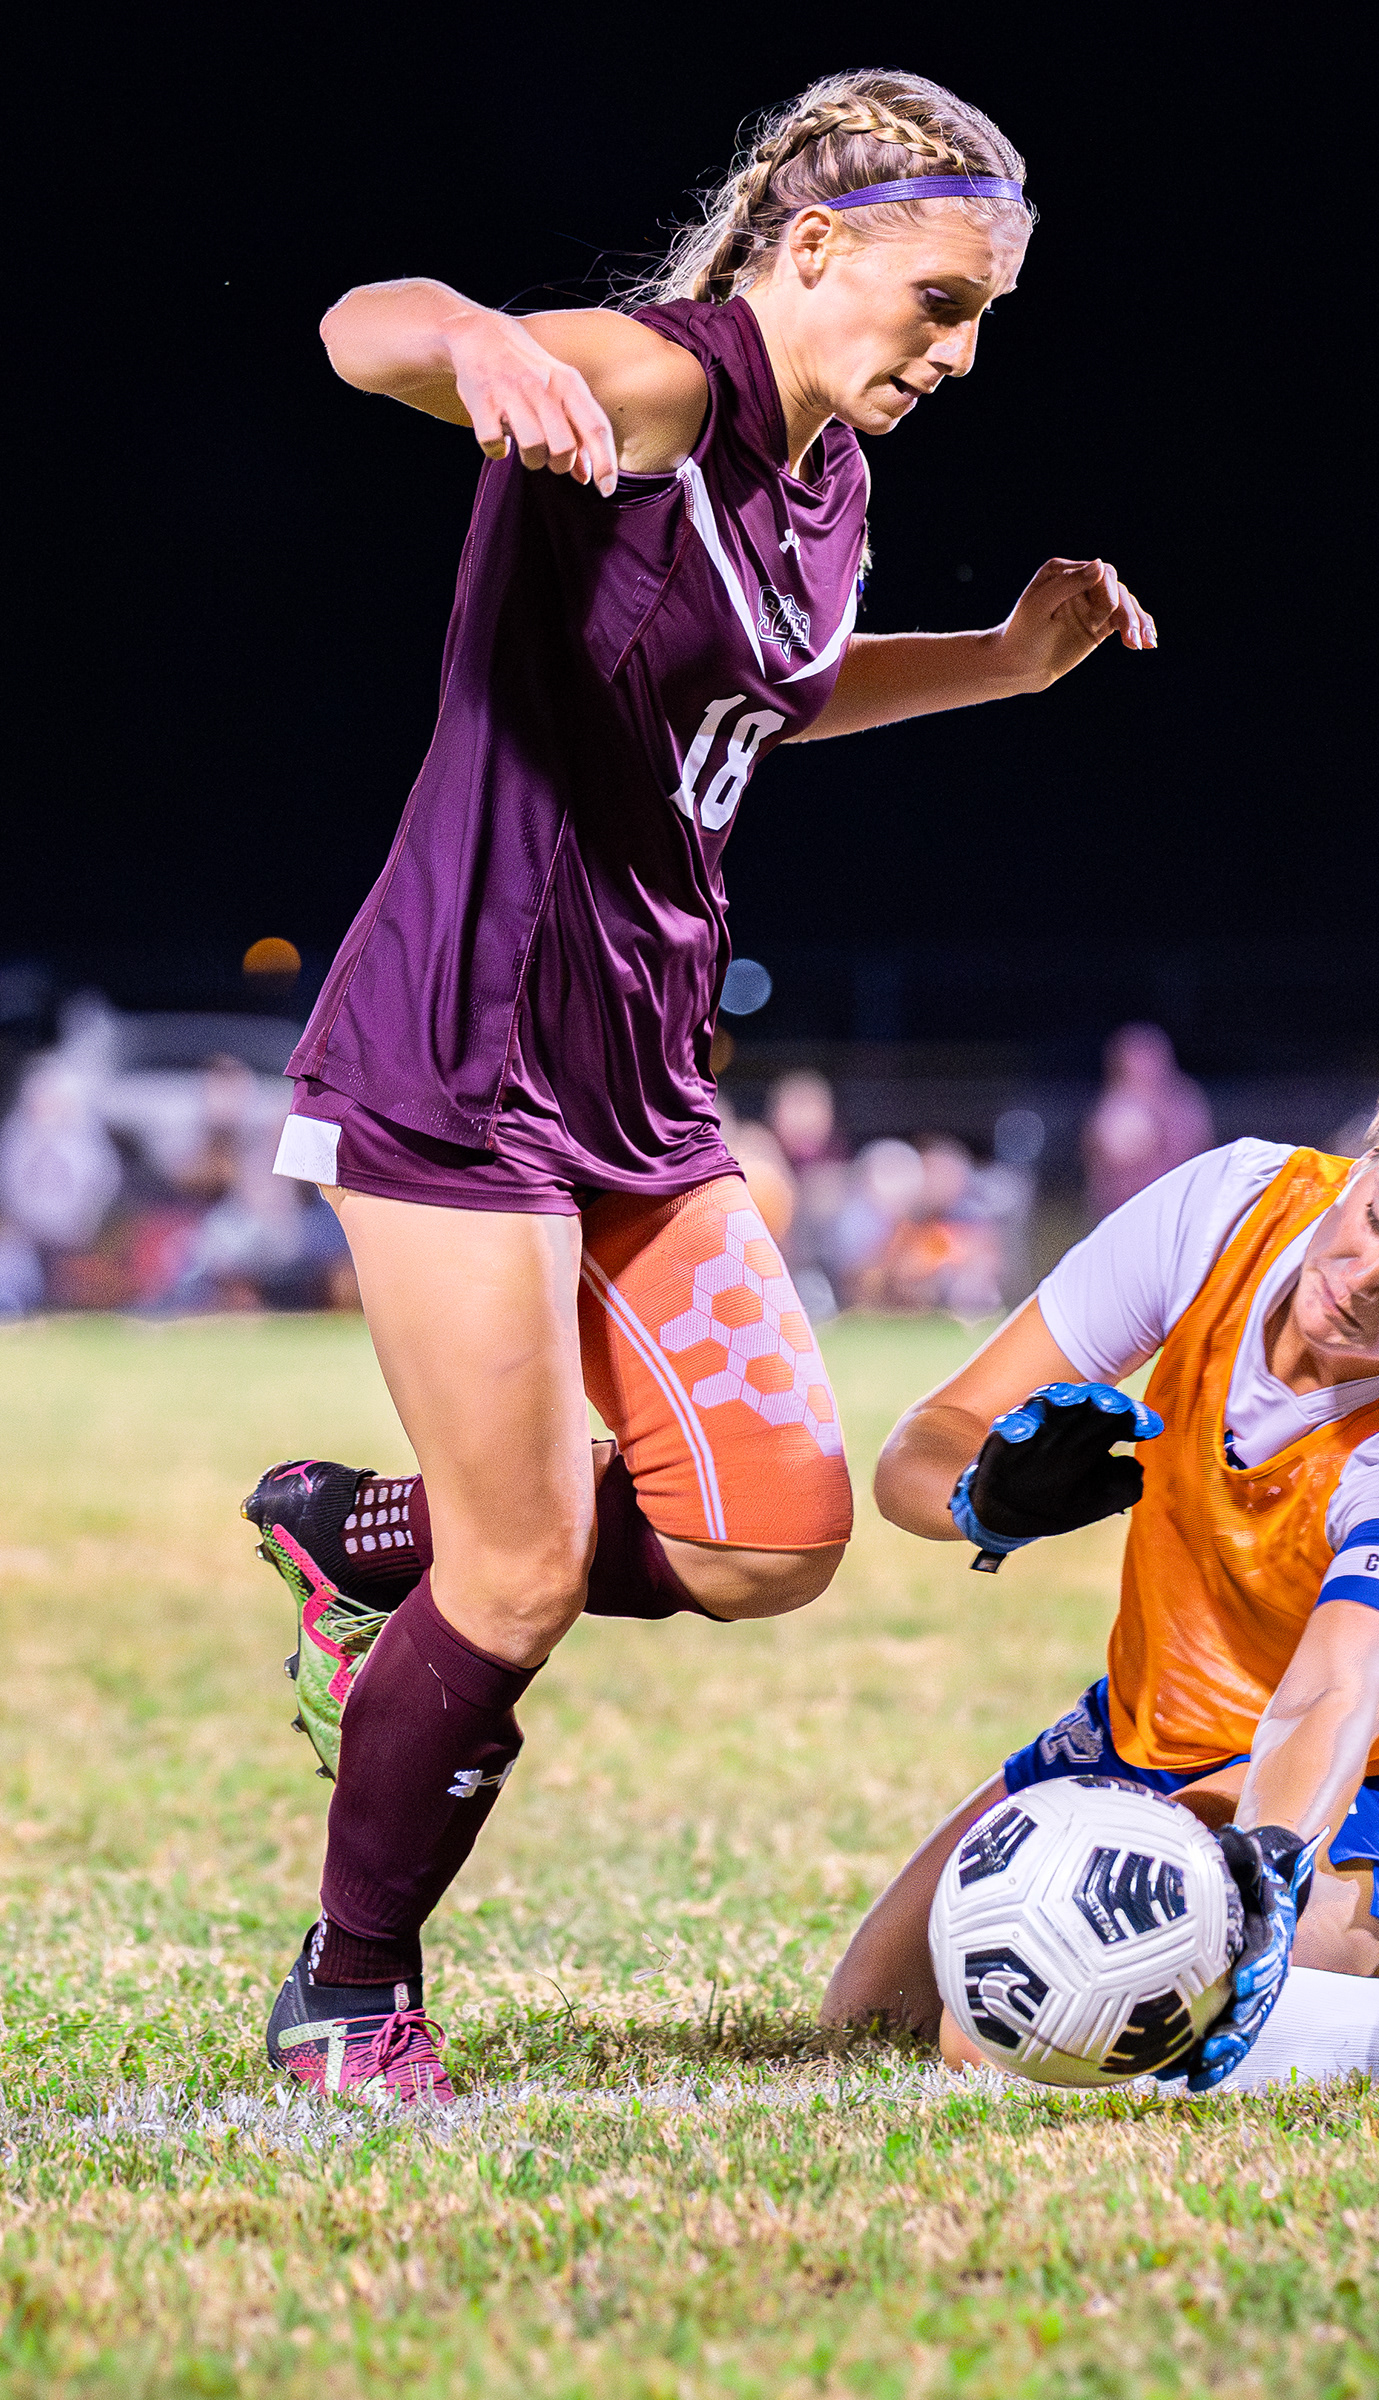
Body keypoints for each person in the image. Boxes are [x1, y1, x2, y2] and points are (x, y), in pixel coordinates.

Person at [243, 69, 1156, 2103]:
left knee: (769, 1537)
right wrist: (481, 344)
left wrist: (1003, 665)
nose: (959, 352)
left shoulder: (829, 475)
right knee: (523, 1573)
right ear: (810, 248)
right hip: (470, 1049)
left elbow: (773, 691)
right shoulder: (668, 385)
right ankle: (348, 1991)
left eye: (984, 318)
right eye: (939, 302)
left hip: (644, 1074)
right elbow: (365, 328)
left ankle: (365, 1538)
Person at [822, 1056, 1379, 2088]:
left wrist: (1270, 1864)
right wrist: (981, 1498)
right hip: (1162, 1719)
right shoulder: (1228, 1208)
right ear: (1368, 1156)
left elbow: (1338, 1690)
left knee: (999, 2040)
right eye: (1378, 1212)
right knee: (877, 2012)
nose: (1363, 1277)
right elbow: (925, 1443)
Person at [1081, 1024, 1213, 1222]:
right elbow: (1107, 1170)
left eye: (1152, 1059)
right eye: (1139, 1061)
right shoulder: (1114, 1111)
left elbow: (1201, 1151)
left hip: (1178, 1210)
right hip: (1127, 1215)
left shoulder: (1185, 1103)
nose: (1148, 1068)